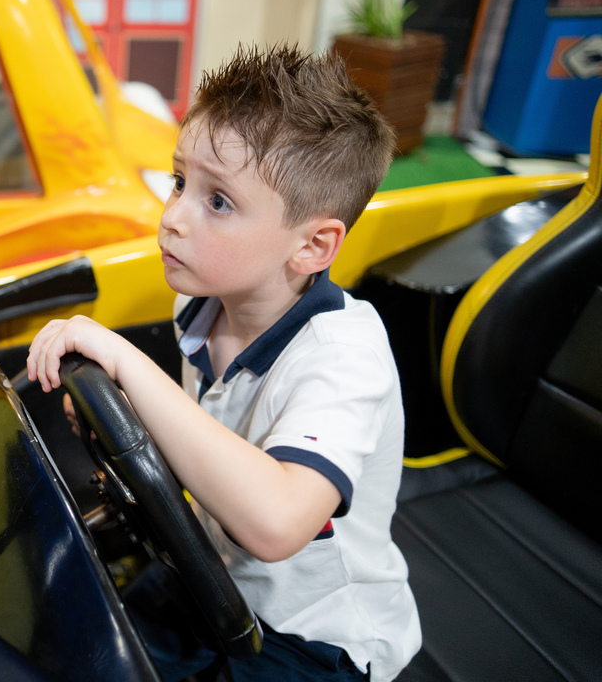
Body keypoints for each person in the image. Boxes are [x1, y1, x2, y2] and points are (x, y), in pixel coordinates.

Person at [26, 45, 421, 681]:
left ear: (312, 246)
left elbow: (275, 523)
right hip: (209, 573)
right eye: (181, 181)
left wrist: (127, 364)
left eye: (218, 202)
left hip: (313, 634)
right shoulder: (207, 310)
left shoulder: (344, 358)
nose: (173, 217)